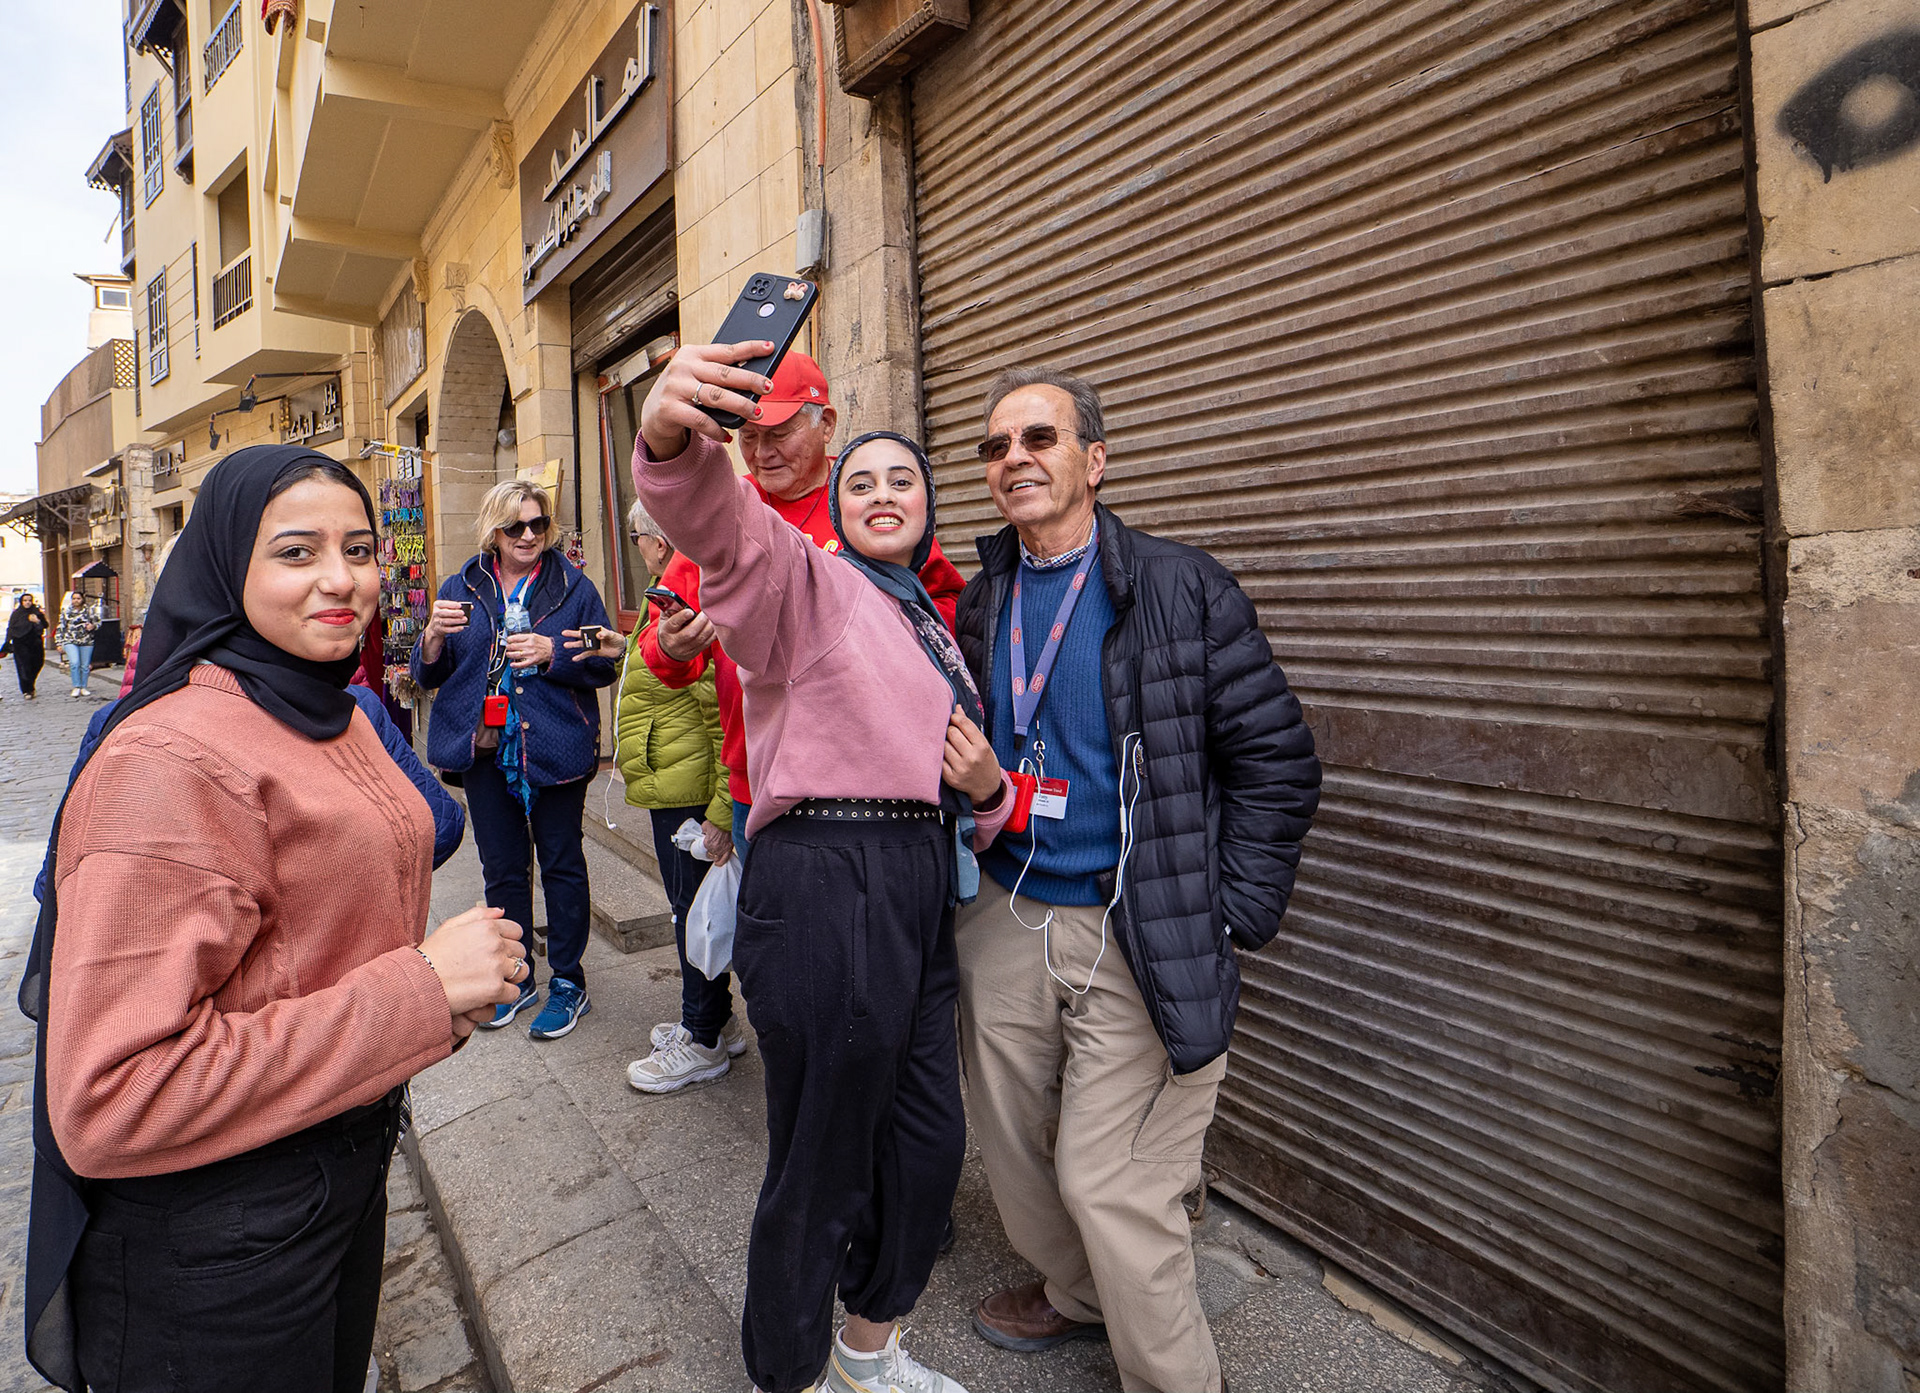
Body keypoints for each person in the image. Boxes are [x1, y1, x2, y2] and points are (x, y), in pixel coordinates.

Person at [18, 443, 527, 1393]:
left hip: (328, 1178)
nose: (343, 579)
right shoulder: (169, 756)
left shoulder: (333, 708)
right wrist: (418, 989)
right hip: (218, 1246)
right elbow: (108, 1095)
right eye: (296, 552)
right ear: (225, 565)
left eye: (361, 548)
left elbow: (415, 833)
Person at [634, 342, 1016, 1393]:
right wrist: (673, 435)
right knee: (823, 1152)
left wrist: (989, 793)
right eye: (862, 484)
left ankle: (869, 1344)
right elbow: (722, 527)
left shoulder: (936, 627)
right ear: (830, 505)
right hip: (821, 874)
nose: (884, 494)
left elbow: (975, 791)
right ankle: (786, 1368)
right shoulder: (810, 583)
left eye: (905, 479)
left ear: (928, 505)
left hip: (915, 885)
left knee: (929, 1138)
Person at [953, 367, 1322, 1393]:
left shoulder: (1180, 586)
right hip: (1007, 910)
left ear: (1094, 460)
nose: (1014, 457)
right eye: (994, 446)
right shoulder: (984, 601)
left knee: (1111, 1180)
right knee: (1019, 1153)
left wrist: (1224, 915)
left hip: (1137, 922)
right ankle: (1077, 1294)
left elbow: (1280, 767)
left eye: (1039, 436)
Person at [638, 351, 966, 851]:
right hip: (759, 778)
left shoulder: (866, 501)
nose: (762, 452)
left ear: (826, 423)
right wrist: (671, 646)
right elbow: (660, 651)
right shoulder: (723, 510)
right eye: (748, 436)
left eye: (779, 434)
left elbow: (941, 609)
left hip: (869, 779)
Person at [413, 480, 619, 1040]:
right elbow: (429, 673)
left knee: (561, 865)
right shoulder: (463, 586)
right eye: (515, 527)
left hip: (555, 747)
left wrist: (556, 653)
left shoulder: (574, 588)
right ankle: (517, 976)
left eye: (538, 525)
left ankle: (570, 983)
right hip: (485, 751)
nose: (529, 535)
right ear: (494, 532)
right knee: (502, 868)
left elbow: (605, 666)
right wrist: (430, 639)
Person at [598, 501, 743, 1093]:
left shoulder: (686, 594)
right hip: (671, 779)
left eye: (637, 537)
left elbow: (719, 710)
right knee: (692, 909)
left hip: (690, 787)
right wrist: (624, 648)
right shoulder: (666, 591)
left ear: (657, 539)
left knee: (694, 915)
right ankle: (719, 1022)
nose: (639, 547)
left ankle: (702, 1036)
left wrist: (721, 809)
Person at [55, 588, 100, 698]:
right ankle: (76, 686)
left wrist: (93, 626)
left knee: (84, 665)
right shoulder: (66, 612)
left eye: (78, 598)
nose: (76, 601)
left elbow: (98, 622)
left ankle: (84, 686)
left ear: (82, 599)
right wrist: (59, 642)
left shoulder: (89, 611)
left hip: (86, 641)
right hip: (70, 640)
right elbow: (61, 627)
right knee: (75, 662)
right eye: (74, 599)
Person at [3, 594, 48, 698]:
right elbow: (11, 628)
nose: (27, 602)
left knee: (37, 663)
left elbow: (45, 625)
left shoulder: (36, 612)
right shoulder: (17, 614)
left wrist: (37, 621)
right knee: (24, 666)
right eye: (25, 600)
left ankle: (31, 684)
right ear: (21, 602)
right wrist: (7, 641)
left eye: (29, 600)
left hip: (35, 642)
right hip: (20, 643)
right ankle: (26, 690)